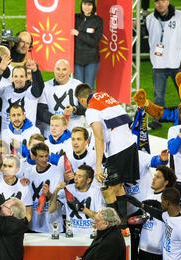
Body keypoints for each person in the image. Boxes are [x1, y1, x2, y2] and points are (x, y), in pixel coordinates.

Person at [75, 84, 139, 232]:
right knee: (118, 188)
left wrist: (98, 165)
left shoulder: (91, 110)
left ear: (81, 99)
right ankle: (124, 227)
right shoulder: (105, 96)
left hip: (118, 150)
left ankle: (114, 229)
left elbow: (99, 137)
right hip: (130, 145)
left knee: (108, 190)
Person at [145, 0, 181, 129]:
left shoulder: (180, 16)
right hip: (158, 64)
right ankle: (157, 122)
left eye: (163, 1)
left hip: (177, 63)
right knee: (158, 97)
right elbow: (145, 35)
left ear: (168, 2)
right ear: (154, 4)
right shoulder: (149, 19)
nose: (161, 4)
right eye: (157, 2)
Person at [0, 55, 44, 131]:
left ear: (26, 78)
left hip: (26, 136)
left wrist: (35, 70)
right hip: (7, 137)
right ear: (12, 78)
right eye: (16, 76)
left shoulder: (31, 92)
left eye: (21, 76)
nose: (18, 79)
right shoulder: (5, 90)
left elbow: (39, 88)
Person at [49, 164, 105, 236]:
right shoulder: (68, 189)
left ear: (88, 180)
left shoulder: (96, 191)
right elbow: (51, 210)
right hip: (71, 235)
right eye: (75, 175)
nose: (75, 178)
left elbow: (100, 217)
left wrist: (81, 208)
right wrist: (56, 190)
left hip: (91, 236)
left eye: (79, 176)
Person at [37, 59, 85, 136]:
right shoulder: (45, 86)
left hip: (74, 130)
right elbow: (41, 111)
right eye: (58, 69)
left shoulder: (78, 85)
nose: (60, 73)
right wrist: (57, 122)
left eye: (64, 69)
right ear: (54, 70)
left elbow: (86, 107)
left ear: (70, 71)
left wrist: (74, 109)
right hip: (52, 132)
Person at [72, 0, 103, 89]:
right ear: (81, 5)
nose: (87, 7)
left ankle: (88, 103)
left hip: (91, 60)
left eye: (89, 5)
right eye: (85, 4)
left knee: (88, 88)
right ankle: (78, 103)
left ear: (93, 6)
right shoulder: (75, 17)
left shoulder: (98, 21)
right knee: (78, 87)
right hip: (77, 59)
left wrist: (79, 34)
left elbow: (94, 42)